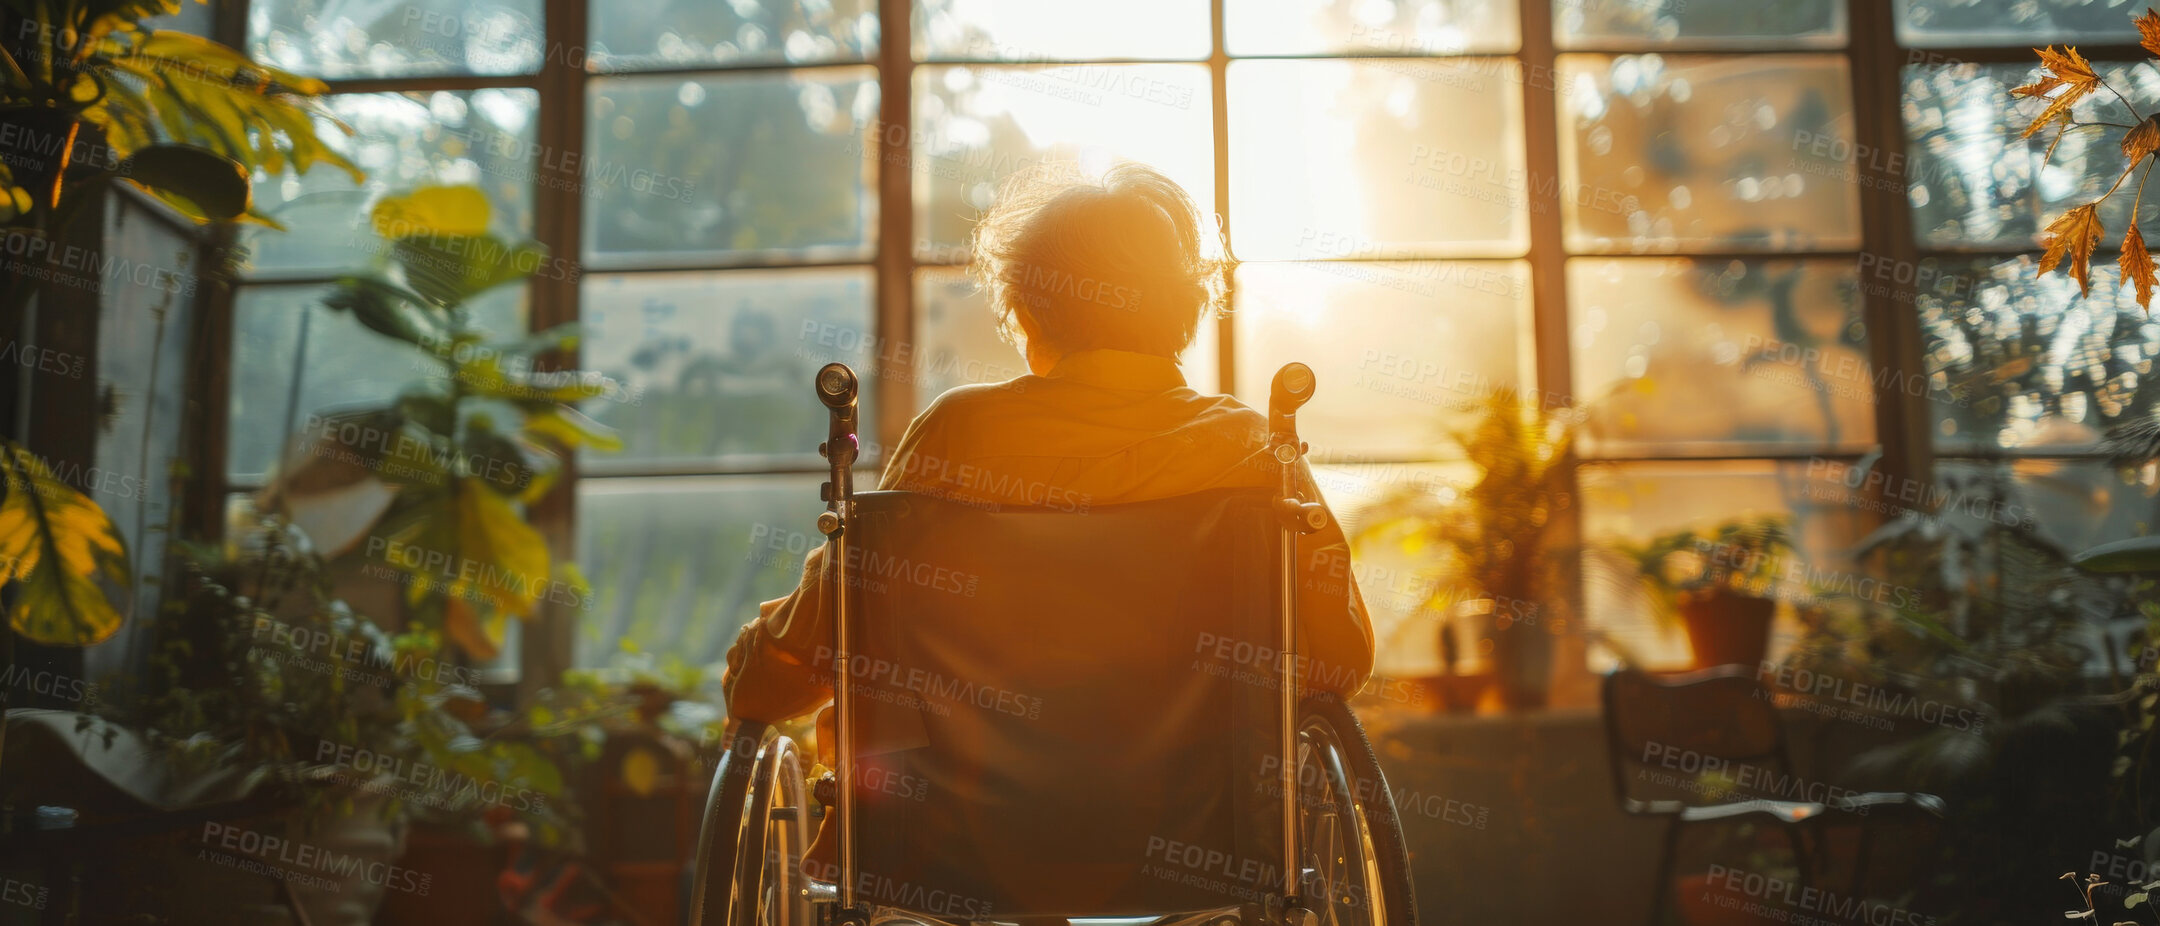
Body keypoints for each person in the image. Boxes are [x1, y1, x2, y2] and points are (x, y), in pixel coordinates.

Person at [720, 160, 1375, 864]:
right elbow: (1341, 655)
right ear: (1182, 313)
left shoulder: (959, 435)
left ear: (1029, 315)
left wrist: (752, 670)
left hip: (954, 848)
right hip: (1209, 843)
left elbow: (827, 634)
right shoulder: (1250, 449)